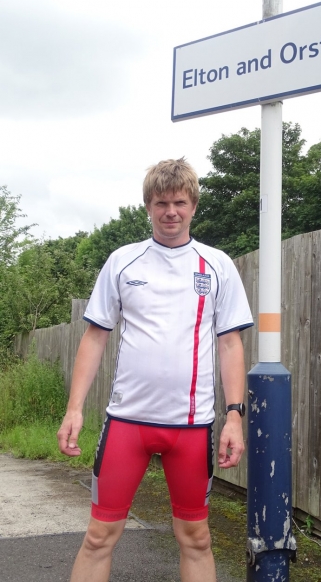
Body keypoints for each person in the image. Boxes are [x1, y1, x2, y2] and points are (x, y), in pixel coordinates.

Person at [57, 158, 253, 582]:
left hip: (191, 426)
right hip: (127, 423)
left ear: (194, 206)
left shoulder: (217, 265)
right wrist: (74, 409)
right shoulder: (123, 262)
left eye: (179, 202)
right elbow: (94, 337)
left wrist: (234, 416)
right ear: (148, 206)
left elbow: (230, 342)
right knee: (99, 535)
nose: (171, 212)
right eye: (161, 202)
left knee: (196, 537)